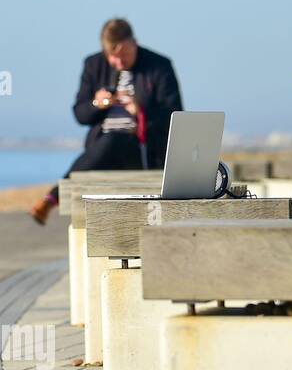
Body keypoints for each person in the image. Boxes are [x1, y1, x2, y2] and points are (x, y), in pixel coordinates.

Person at [29, 18, 183, 224]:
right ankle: (53, 197)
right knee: (107, 143)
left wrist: (140, 111)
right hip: (101, 147)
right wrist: (97, 104)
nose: (120, 63)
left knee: (113, 141)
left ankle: (52, 197)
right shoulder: (93, 65)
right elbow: (80, 115)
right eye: (113, 58)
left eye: (125, 56)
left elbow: (175, 115)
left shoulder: (159, 66)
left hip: (143, 148)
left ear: (134, 43)